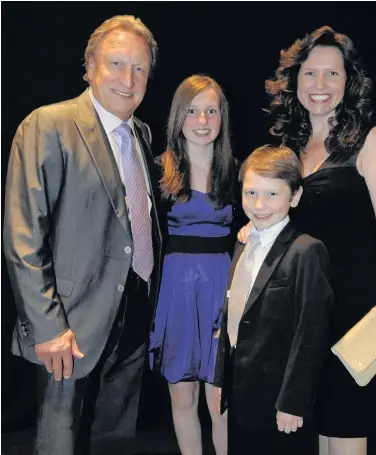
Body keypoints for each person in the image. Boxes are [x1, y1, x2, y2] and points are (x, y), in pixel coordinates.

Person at [3, 15, 163, 455]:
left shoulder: (142, 135)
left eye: (140, 69)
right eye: (116, 64)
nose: (128, 79)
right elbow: (22, 234)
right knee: (60, 445)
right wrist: (48, 326)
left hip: (131, 318)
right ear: (89, 65)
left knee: (114, 441)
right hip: (69, 328)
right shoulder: (48, 125)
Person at [262, 26, 376, 455]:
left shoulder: (370, 141)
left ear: (349, 82)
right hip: (306, 314)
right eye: (311, 74)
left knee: (348, 431)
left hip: (357, 311)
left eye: (332, 75)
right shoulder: (287, 147)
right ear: (296, 80)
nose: (320, 86)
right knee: (325, 432)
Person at [214, 145, 334, 455]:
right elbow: (233, 312)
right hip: (241, 392)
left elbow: (311, 333)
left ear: (294, 197)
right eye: (251, 193)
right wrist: (221, 380)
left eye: (272, 194)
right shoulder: (243, 243)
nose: (259, 204)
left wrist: (293, 402)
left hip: (280, 402)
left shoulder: (306, 251)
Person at [148, 75, 241, 455]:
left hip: (222, 291)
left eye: (211, 111)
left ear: (222, 117)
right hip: (176, 294)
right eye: (192, 111)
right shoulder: (157, 171)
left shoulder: (239, 170)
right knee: (183, 399)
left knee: (220, 404)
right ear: (177, 116)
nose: (202, 121)